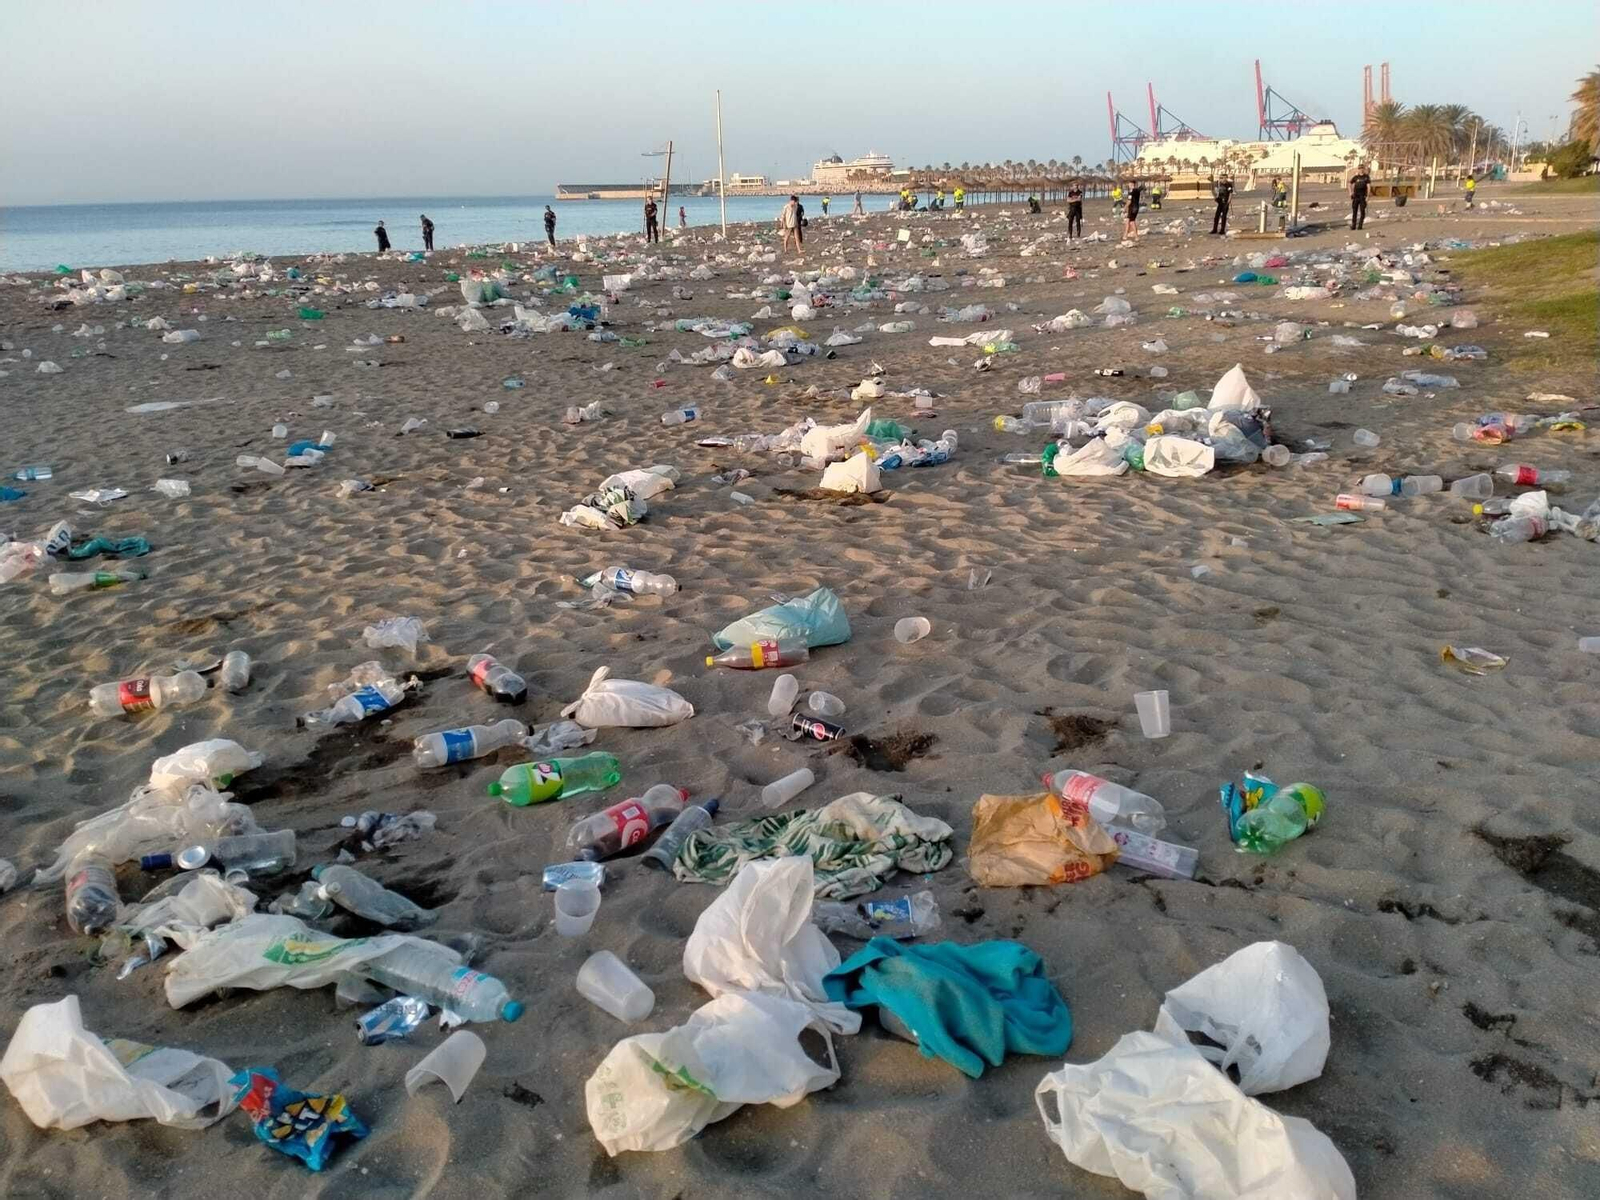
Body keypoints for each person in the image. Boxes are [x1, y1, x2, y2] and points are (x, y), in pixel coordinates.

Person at [779, 194, 802, 258]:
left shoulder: (795, 206)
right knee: (787, 237)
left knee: (797, 238)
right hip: (788, 225)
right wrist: (783, 224)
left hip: (794, 224)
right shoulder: (786, 207)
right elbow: (783, 216)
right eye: (794, 202)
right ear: (791, 201)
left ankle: (799, 250)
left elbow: (795, 214)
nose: (794, 203)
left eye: (795, 202)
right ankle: (785, 250)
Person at [1348, 165, 1370, 230]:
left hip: (1363, 196)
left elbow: (1369, 186)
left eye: (1362, 168)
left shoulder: (1366, 177)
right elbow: (1349, 184)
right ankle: (1353, 225)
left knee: (1362, 211)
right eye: (1360, 169)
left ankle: (1360, 225)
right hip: (1356, 196)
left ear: (1364, 169)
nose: (1361, 170)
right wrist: (1350, 192)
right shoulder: (1355, 177)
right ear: (1358, 169)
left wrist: (1368, 196)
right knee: (1354, 211)